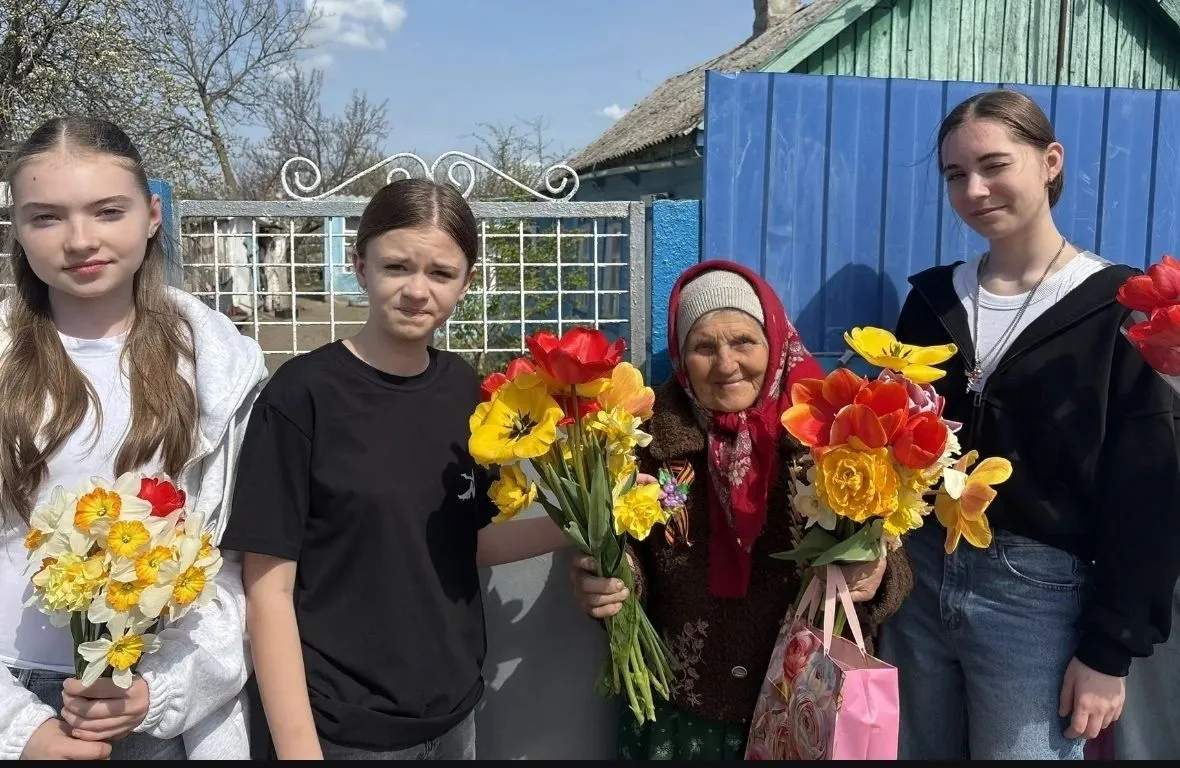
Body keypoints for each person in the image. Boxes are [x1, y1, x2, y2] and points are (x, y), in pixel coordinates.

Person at [222, 178, 572, 760]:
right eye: (396, 267)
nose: (416, 291)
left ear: (467, 282)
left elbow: (466, 541)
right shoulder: (302, 395)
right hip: (343, 730)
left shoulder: (464, 389)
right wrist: (300, 750)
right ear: (360, 266)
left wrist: (588, 520)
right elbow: (268, 590)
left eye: (441, 273)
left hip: (455, 718)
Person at [879, 89, 1180, 760]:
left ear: (1050, 162)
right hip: (916, 581)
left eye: (994, 165)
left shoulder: (1118, 310)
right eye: (955, 175)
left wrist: (1110, 650)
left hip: (1036, 600)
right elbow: (888, 445)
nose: (974, 190)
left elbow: (1148, 492)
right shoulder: (930, 302)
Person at [571, 259, 914, 760]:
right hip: (679, 701)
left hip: (801, 702)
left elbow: (895, 561)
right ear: (681, 357)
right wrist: (613, 579)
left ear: (774, 343)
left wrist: (875, 571)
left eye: (743, 342)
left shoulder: (831, 436)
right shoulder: (646, 438)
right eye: (704, 347)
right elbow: (631, 556)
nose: (726, 363)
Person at [0, 116, 266, 759]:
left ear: (151, 215)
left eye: (107, 211)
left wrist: (165, 690)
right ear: (18, 230)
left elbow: (235, 567)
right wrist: (18, 727)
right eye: (46, 217)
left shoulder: (218, 370)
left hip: (151, 704)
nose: (80, 240)